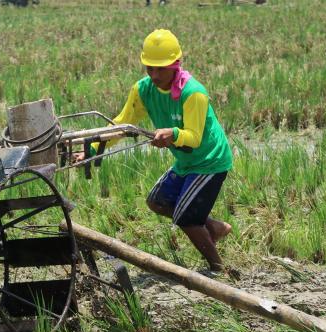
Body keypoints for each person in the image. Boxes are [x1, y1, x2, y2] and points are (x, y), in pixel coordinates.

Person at [80, 29, 233, 271]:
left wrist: (171, 134)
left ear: (176, 64)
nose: (154, 74)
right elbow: (122, 125)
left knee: (185, 218)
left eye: (160, 68)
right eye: (149, 68)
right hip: (186, 162)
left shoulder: (193, 93)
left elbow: (193, 137)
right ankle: (214, 227)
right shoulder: (143, 90)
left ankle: (218, 269)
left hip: (209, 161)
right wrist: (93, 150)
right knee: (157, 201)